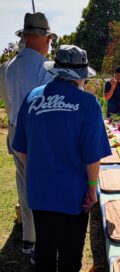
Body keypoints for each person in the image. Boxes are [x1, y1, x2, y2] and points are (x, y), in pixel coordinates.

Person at [13, 44, 112, 272]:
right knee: (70, 247)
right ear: (81, 76)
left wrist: (39, 172)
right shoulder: (88, 103)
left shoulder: (32, 97)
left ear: (56, 70)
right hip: (73, 193)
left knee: (44, 241)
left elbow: (22, 149)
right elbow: (92, 156)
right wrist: (92, 187)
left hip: (40, 190)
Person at [4, 12, 57, 255]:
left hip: (16, 132)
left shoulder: (8, 66)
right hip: (37, 134)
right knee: (44, 187)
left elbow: (8, 103)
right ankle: (42, 240)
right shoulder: (44, 67)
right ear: (47, 39)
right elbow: (50, 108)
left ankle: (29, 238)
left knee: (24, 185)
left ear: (25, 36)